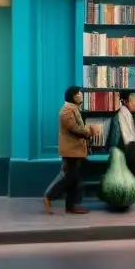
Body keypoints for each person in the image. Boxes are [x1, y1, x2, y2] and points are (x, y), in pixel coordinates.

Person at [43, 85, 94, 214]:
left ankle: (70, 206)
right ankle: (48, 196)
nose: (81, 95)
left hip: (76, 150)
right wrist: (89, 131)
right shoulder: (66, 110)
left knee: (74, 179)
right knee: (69, 178)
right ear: (73, 96)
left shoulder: (73, 109)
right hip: (71, 151)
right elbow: (74, 128)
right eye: (79, 93)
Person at [108, 90, 135, 175]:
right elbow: (127, 135)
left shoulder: (127, 113)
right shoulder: (123, 114)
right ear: (126, 102)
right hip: (124, 147)